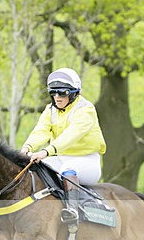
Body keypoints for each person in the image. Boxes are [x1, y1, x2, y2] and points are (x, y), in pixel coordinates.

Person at [20, 67, 106, 225]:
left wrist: (46, 152)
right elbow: (41, 131)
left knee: (67, 168)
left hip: (86, 162)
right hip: (60, 158)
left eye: (62, 93)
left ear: (74, 93)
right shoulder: (50, 109)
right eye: (53, 93)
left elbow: (71, 136)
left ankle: (73, 211)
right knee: (33, 168)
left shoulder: (86, 110)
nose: (57, 97)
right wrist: (27, 148)